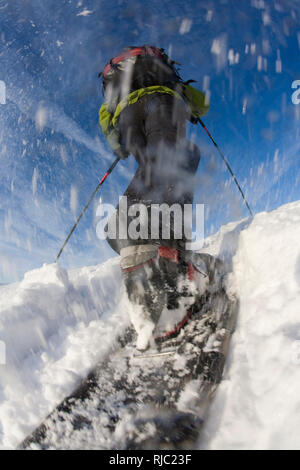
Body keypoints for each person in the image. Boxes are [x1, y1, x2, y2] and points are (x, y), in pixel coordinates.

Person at [98, 45, 209, 350]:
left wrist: (118, 146)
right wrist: (193, 107)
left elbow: (105, 118)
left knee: (168, 167)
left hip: (126, 118)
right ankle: (149, 252)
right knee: (169, 165)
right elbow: (202, 105)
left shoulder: (116, 86)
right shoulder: (166, 77)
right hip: (164, 104)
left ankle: (166, 252)